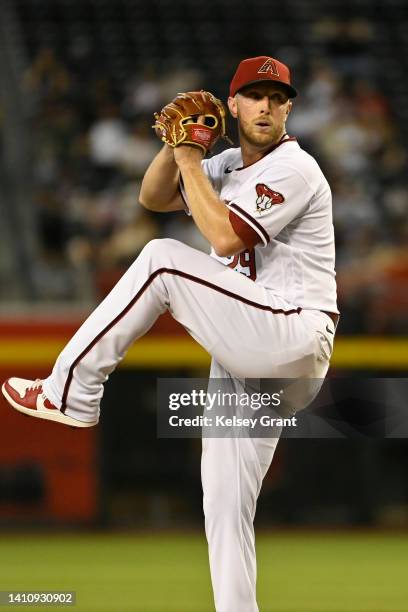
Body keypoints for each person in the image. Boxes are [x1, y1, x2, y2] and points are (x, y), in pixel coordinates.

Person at [2, 56, 338, 612]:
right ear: (233, 106)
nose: (266, 106)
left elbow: (226, 240)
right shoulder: (227, 163)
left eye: (277, 98)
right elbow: (153, 198)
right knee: (224, 506)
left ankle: (71, 391)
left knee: (161, 260)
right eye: (254, 95)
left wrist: (189, 154)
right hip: (248, 353)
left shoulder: (295, 169)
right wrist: (174, 143)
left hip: (291, 336)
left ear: (289, 108)